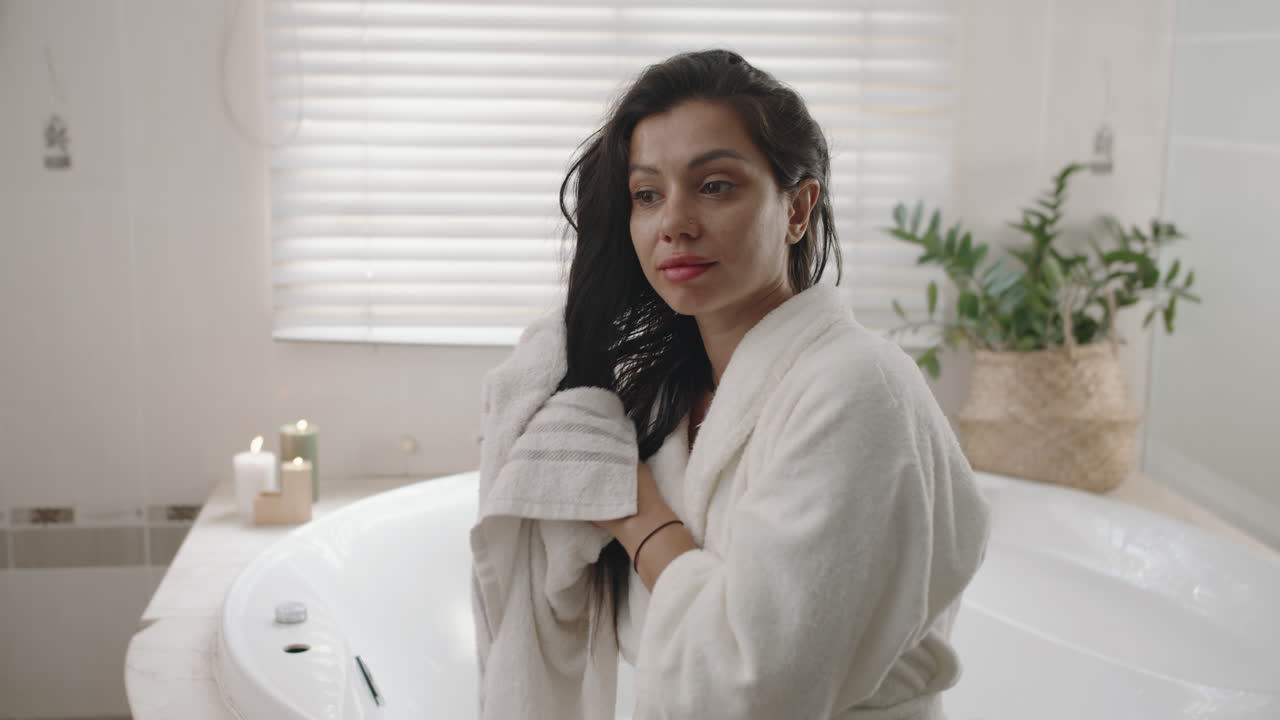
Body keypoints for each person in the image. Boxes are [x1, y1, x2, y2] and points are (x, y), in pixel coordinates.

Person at [482, 48, 992, 719]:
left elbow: (754, 689)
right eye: (646, 195)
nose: (674, 223)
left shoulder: (859, 388)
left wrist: (636, 513)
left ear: (798, 209)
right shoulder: (662, 398)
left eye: (715, 185)